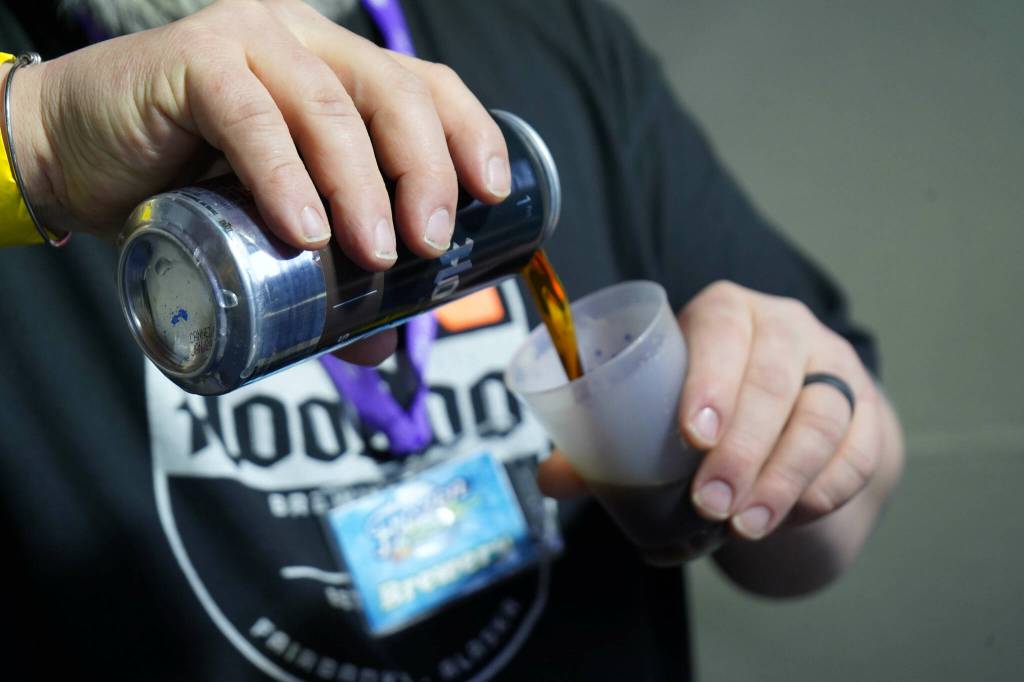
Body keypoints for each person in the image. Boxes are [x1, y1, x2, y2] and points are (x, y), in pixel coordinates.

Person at [0, 0, 904, 680]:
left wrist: (786, 440)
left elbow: (818, 527)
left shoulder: (539, 27)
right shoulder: (36, 108)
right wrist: (34, 136)